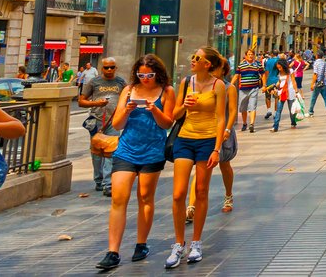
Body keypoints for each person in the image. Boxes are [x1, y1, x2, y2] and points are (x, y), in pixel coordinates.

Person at [96, 54, 175, 271]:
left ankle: (141, 243)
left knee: (145, 197)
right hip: (126, 150)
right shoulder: (128, 90)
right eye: (141, 75)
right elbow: (118, 124)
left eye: (149, 75)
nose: (145, 79)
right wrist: (127, 109)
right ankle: (112, 252)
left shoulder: (167, 91)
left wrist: (154, 109)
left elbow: (167, 123)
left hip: (152, 151)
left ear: (157, 73)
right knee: (118, 198)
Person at [166, 47, 227, 269]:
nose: (192, 60)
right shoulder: (186, 83)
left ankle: (196, 242)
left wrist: (217, 149)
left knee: (201, 191)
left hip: (208, 140)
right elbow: (174, 115)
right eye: (192, 56)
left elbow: (221, 118)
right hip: (184, 139)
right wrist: (184, 106)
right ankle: (178, 243)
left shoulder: (218, 85)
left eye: (197, 58)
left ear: (207, 64)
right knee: (178, 193)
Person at [189, 60, 239, 220]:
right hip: (206, 131)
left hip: (223, 131)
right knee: (201, 167)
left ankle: (228, 195)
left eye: (215, 68)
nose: (211, 71)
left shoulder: (229, 88)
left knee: (225, 165)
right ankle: (191, 206)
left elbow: (232, 112)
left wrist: (227, 129)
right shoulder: (204, 86)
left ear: (223, 70)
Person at [79, 57, 127, 196]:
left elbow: (127, 97)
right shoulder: (94, 82)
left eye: (112, 67)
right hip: (96, 121)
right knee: (97, 152)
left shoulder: (121, 82)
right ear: (102, 68)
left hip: (114, 121)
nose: (110, 70)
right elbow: (81, 101)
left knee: (111, 151)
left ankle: (108, 183)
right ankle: (98, 179)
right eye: (107, 67)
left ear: (116, 68)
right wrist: (96, 104)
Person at [233, 49, 263, 133]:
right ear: (246, 56)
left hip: (254, 88)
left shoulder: (258, 64)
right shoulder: (241, 65)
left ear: (254, 55)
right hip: (243, 89)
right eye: (249, 54)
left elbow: (263, 74)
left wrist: (264, 85)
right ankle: (245, 123)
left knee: (252, 106)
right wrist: (231, 85)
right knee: (243, 108)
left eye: (252, 54)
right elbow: (236, 75)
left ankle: (252, 124)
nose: (250, 56)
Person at [265, 59, 298, 132]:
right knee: (278, 110)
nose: (279, 69)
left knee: (291, 110)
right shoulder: (279, 73)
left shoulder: (290, 71)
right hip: (282, 93)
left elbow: (293, 81)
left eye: (280, 67)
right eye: (278, 68)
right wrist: (274, 87)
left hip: (290, 92)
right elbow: (280, 82)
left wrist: (296, 91)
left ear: (283, 65)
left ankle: (293, 122)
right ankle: (275, 126)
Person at [262, 51, 280, 119]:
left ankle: (269, 110)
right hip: (277, 80)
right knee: (276, 97)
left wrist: (265, 82)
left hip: (269, 80)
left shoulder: (269, 61)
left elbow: (266, 72)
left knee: (267, 96)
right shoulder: (279, 61)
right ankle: (275, 113)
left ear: (272, 54)